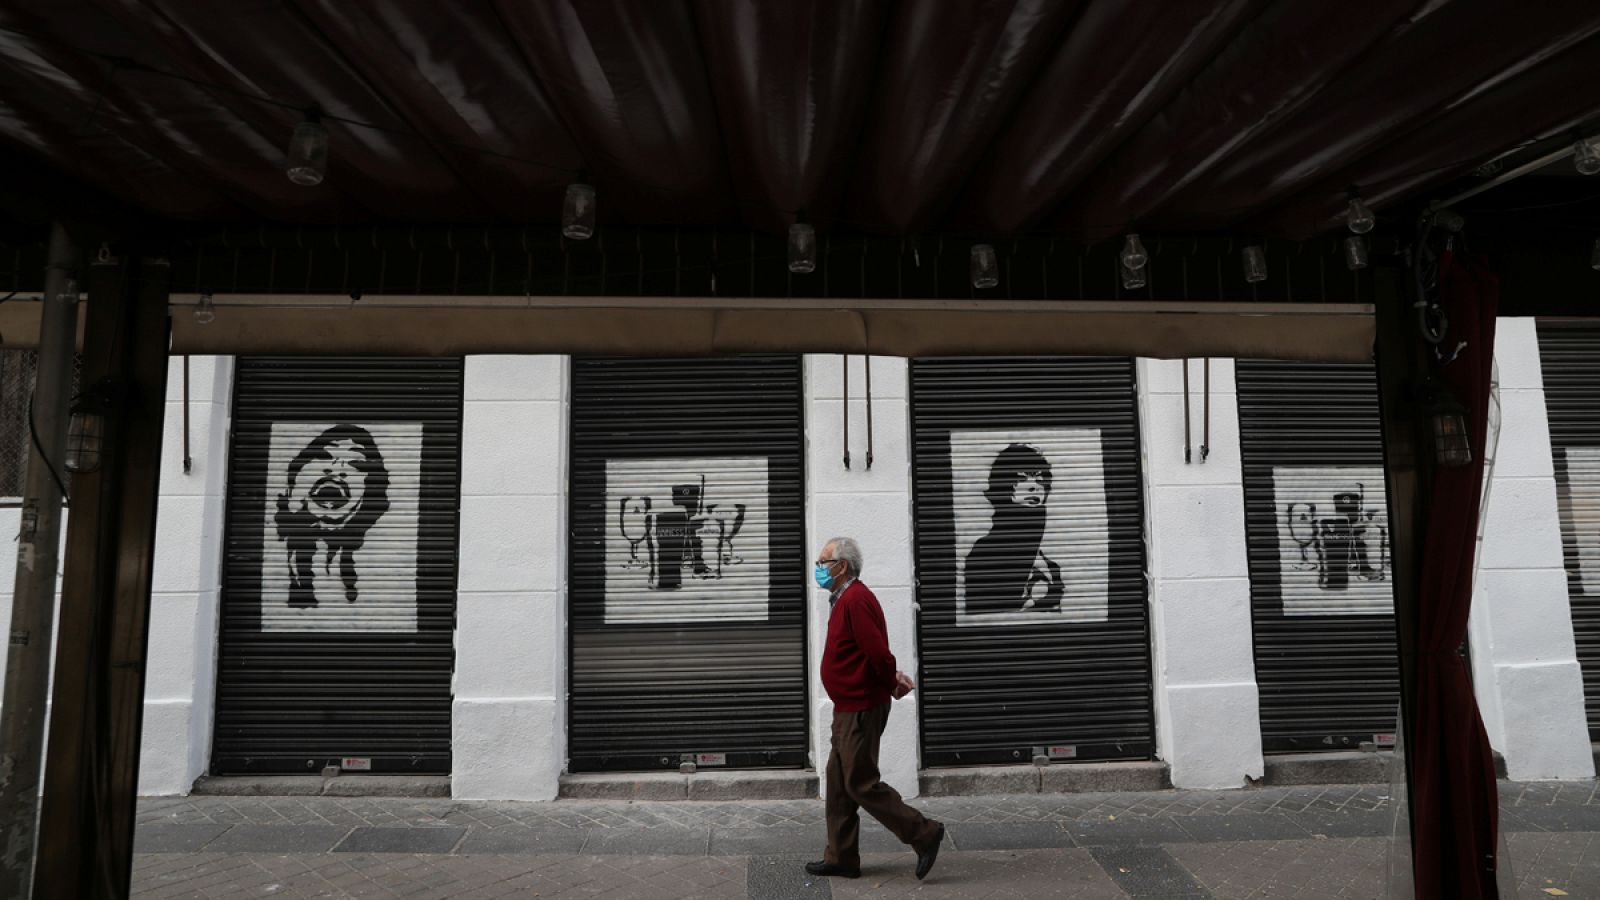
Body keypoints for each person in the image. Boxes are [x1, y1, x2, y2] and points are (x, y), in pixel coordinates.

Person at [806, 537, 945, 881]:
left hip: (861, 708)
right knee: (839, 783)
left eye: (824, 562)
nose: (818, 568)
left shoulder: (855, 599)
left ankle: (924, 833)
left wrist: (890, 683)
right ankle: (841, 857)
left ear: (842, 567)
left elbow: (878, 653)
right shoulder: (844, 599)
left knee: (861, 783)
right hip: (848, 707)